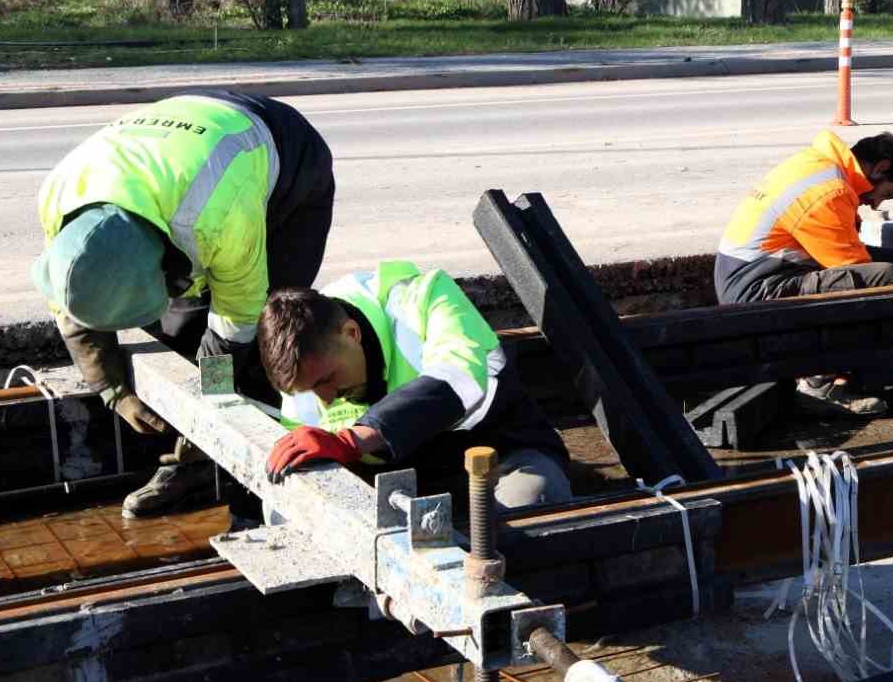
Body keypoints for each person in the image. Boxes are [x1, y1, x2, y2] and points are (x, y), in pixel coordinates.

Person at [32, 91, 334, 525]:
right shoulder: (61, 203)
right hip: (181, 166)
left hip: (287, 162)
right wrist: (113, 391)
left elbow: (237, 323)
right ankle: (189, 467)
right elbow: (73, 309)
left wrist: (210, 404)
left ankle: (258, 489)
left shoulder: (215, 219)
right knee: (179, 332)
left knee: (270, 340)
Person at [257, 261, 573, 509]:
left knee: (532, 508)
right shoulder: (305, 372)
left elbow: (458, 377)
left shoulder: (425, 298)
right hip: (397, 484)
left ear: (352, 333)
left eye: (327, 380)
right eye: (310, 390)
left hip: (503, 456)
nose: (325, 399)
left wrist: (351, 441)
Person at [715, 129, 893, 413]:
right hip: (755, 288)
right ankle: (819, 387)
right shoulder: (829, 191)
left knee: (884, 271)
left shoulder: (820, 166)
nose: (875, 204)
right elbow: (855, 269)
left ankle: (831, 367)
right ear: (881, 168)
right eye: (885, 194)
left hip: (748, 275)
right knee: (885, 280)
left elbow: (843, 248)